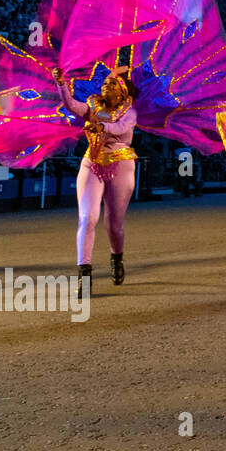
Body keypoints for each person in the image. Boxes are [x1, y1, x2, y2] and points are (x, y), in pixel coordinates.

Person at [52, 66, 137, 296]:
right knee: (87, 218)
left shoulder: (129, 111)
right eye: (105, 84)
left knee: (114, 223)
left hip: (121, 165)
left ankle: (116, 258)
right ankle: (84, 274)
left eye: (112, 84)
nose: (106, 86)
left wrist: (102, 126)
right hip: (92, 163)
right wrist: (61, 84)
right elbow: (71, 105)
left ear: (122, 93)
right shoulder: (92, 107)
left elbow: (121, 127)